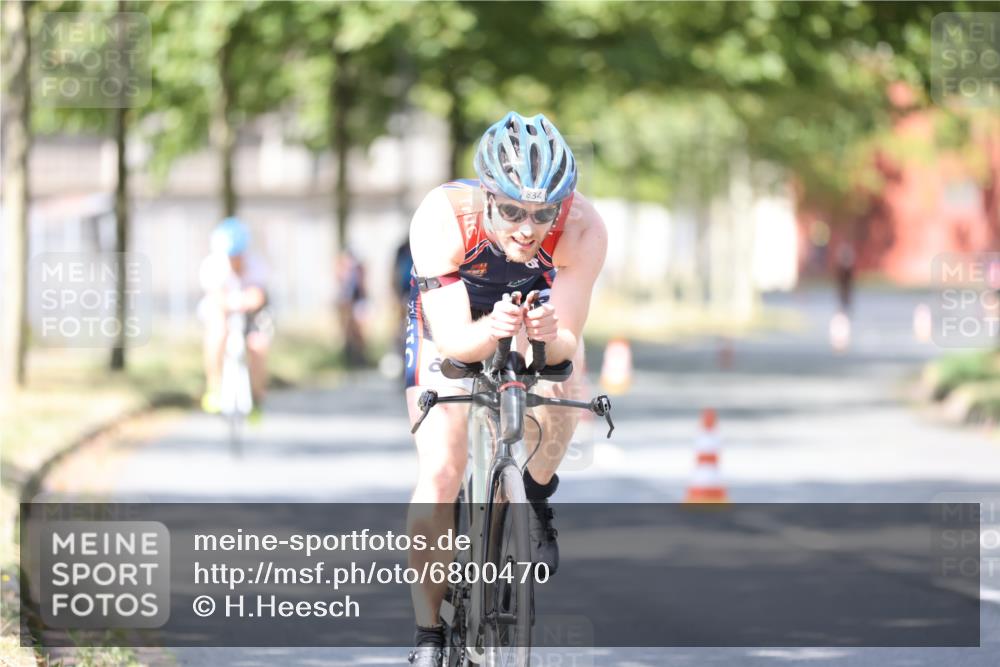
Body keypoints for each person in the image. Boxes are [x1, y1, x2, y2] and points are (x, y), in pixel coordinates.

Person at [403, 111, 608, 666]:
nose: (527, 227)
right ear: (487, 196)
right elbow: (451, 340)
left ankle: (533, 493)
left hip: (530, 303)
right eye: (513, 210)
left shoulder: (584, 226)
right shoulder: (443, 218)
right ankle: (428, 634)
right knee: (442, 471)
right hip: (453, 317)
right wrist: (488, 332)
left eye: (543, 215)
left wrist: (548, 338)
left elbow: (566, 338)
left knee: (567, 375)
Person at [198, 217, 273, 418]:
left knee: (258, 346)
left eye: (238, 255)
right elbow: (215, 298)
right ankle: (213, 386)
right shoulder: (213, 266)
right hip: (223, 313)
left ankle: (256, 396)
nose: (235, 260)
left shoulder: (256, 264)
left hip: (251, 315)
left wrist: (247, 302)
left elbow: (258, 295)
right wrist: (231, 304)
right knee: (217, 333)